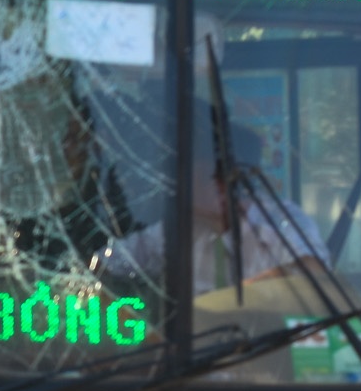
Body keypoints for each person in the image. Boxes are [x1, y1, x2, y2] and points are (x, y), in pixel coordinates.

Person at [93, 122, 329, 291]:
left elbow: (314, 272)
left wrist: (228, 304)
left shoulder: (280, 219)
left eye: (195, 178)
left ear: (222, 182)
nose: (183, 188)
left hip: (270, 353)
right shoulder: (179, 232)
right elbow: (108, 262)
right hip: (193, 358)